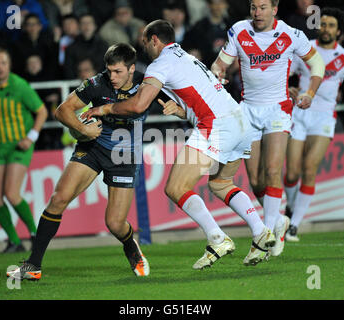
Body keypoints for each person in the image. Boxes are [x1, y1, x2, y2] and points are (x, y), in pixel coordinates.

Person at [83, 19, 277, 269]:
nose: (144, 47)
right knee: (220, 183)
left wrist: (104, 108)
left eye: (145, 42)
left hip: (216, 125)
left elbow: (138, 105)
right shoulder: (185, 56)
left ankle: (217, 238)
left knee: (175, 187)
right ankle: (262, 232)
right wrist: (183, 111)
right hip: (238, 120)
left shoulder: (160, 64)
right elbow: (203, 96)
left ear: (154, 39)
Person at [7, 43, 150, 281]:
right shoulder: (97, 83)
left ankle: (130, 247)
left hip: (124, 156)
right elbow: (62, 110)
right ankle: (33, 265)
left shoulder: (148, 85)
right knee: (58, 198)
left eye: (118, 72)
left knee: (114, 223)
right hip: (92, 148)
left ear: (132, 68)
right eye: (109, 70)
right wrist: (83, 128)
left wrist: (183, 109)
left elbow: (179, 96)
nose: (112, 77)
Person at [211, 0, 325, 257]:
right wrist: (217, 74)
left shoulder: (291, 34)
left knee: (273, 170)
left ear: (274, 10)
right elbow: (219, 64)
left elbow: (317, 64)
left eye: (263, 7)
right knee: (255, 181)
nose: (257, 12)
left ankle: (266, 236)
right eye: (253, 7)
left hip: (278, 110)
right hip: (248, 111)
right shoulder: (239, 30)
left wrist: (309, 92)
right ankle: (278, 222)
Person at [284, 7, 344, 241]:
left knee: (309, 169)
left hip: (324, 118)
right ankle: (290, 209)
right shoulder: (306, 50)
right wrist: (286, 88)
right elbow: (284, 72)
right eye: (323, 24)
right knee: (291, 173)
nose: (326, 29)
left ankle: (294, 225)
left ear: (338, 32)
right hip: (299, 113)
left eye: (331, 25)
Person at [0, 47, 48, 253]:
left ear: (9, 65)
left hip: (19, 145)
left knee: (11, 193)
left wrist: (31, 137)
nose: (0, 67)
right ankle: (14, 241)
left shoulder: (20, 85)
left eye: (3, 63)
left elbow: (42, 111)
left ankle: (35, 233)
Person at [63, 13, 108, 79]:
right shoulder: (70, 48)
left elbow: (107, 67)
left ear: (95, 26)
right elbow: (68, 71)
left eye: (89, 23)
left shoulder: (104, 46)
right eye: (83, 23)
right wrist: (81, 73)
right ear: (79, 26)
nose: (86, 26)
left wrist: (94, 73)